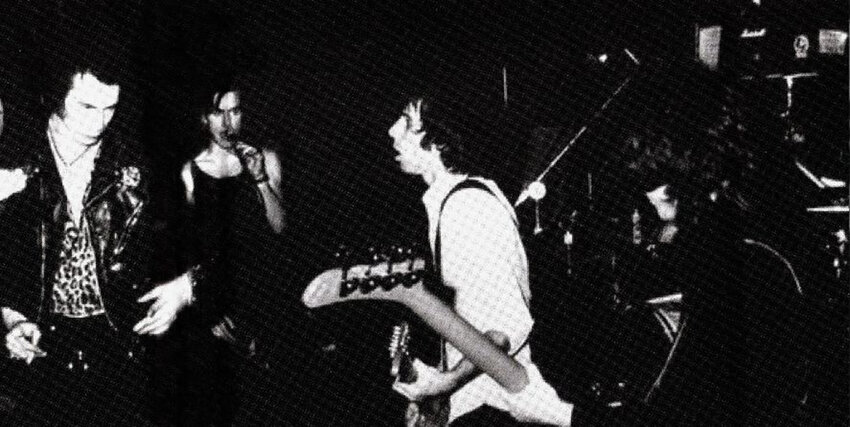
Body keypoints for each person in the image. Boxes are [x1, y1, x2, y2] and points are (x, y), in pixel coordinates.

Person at [0, 48, 197, 426]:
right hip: (40, 359)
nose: (99, 124)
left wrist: (185, 288)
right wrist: (9, 319)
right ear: (54, 97)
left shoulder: (137, 162)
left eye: (110, 108)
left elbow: (210, 243)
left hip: (125, 353)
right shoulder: (14, 161)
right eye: (87, 107)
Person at [387, 95, 576, 426]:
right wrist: (440, 402)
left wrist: (444, 384)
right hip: (482, 399)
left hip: (501, 407)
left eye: (406, 120)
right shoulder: (448, 203)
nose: (392, 131)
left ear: (437, 141)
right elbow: (471, 322)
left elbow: (504, 329)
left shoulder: (468, 207)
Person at [176, 78, 285, 425]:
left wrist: (260, 180)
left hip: (266, 302)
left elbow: (280, 228)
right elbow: (187, 253)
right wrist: (206, 313)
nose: (227, 124)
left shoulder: (265, 158)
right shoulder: (189, 172)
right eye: (217, 113)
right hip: (218, 312)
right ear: (203, 118)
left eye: (234, 111)